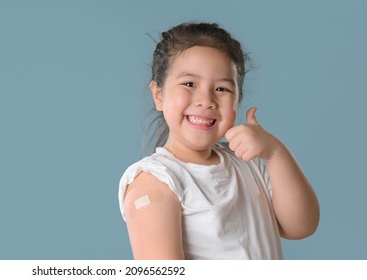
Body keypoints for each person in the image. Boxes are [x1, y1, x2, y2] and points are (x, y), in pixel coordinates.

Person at [118, 22, 320, 259]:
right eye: (189, 84)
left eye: (222, 89)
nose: (206, 100)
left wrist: (275, 153)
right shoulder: (155, 181)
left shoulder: (247, 163)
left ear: (237, 100)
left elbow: (301, 226)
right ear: (159, 95)